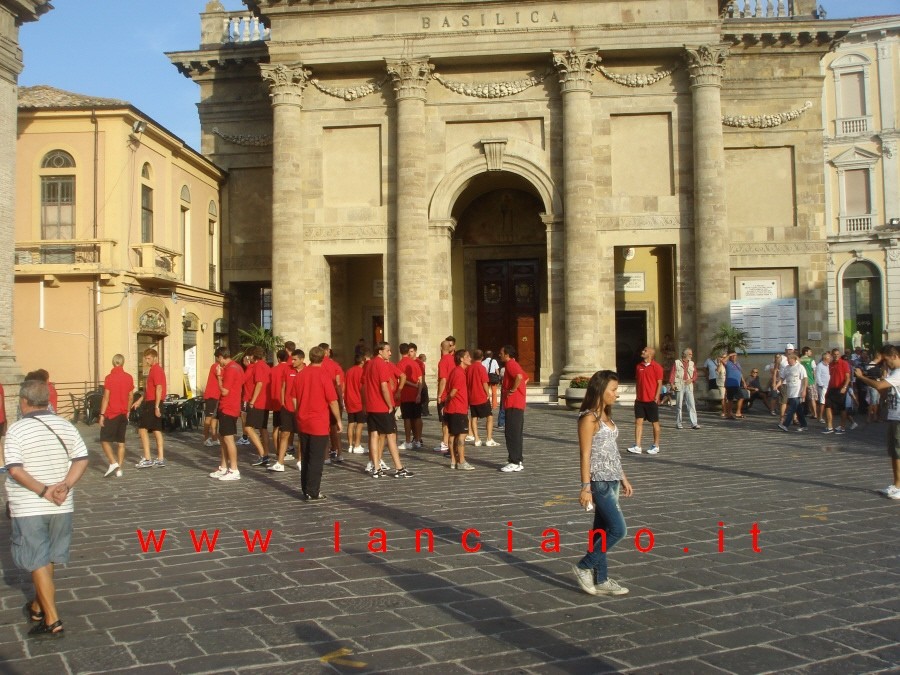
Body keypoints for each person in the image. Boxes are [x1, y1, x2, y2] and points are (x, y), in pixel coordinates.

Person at [5, 379, 89, 637]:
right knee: (48, 556)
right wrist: (65, 485)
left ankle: (52, 619)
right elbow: (82, 459)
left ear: (23, 401)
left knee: (37, 558)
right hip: (61, 504)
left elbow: (15, 470)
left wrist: (43, 490)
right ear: (48, 400)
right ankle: (38, 607)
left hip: (30, 504)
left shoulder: (17, 431)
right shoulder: (65, 425)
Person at [572, 370, 633, 597]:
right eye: (613, 390)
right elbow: (585, 454)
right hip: (599, 482)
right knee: (618, 530)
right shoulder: (589, 418)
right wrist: (585, 487)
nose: (617, 394)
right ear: (600, 390)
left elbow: (611, 451)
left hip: (613, 478)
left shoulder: (606, 416)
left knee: (601, 532)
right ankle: (584, 566)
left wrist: (623, 477)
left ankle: (602, 579)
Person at [292, 345, 342, 500]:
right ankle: (313, 491)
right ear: (323, 358)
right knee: (316, 458)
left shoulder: (300, 374)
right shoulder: (323, 375)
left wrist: (298, 411)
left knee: (306, 456)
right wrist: (339, 420)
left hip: (303, 420)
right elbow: (332, 401)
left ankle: (305, 488)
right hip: (318, 422)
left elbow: (293, 398)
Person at [853, 345, 900, 499]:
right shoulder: (893, 372)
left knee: (898, 452)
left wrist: (862, 377)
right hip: (893, 416)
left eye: (886, 360)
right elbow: (883, 389)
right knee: (894, 452)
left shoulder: (899, 372)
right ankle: (896, 484)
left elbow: (880, 386)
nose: (886, 364)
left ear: (894, 356)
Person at [362, 341, 414, 479]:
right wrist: (389, 404)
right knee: (391, 435)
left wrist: (365, 404)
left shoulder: (369, 364)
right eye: (388, 350)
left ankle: (376, 468)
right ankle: (399, 468)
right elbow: (384, 386)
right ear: (380, 351)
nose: (390, 353)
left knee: (374, 435)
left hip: (371, 406)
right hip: (381, 406)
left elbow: (364, 386)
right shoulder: (381, 364)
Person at [209, 347, 244, 481]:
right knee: (223, 438)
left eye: (218, 359)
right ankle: (223, 467)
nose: (218, 363)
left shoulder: (230, 369)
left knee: (228, 439)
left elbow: (224, 391)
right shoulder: (238, 367)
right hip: (227, 406)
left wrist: (218, 376)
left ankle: (234, 469)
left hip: (229, 407)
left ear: (221, 357)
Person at [98, 354, 135, 478]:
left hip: (112, 412)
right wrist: (128, 409)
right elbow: (131, 396)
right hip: (123, 412)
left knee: (104, 440)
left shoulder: (109, 378)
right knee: (121, 442)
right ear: (123, 363)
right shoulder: (129, 377)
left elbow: (106, 397)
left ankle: (113, 462)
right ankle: (119, 468)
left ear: (113, 363)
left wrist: (102, 414)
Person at [271, 349, 305, 472]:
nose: (293, 361)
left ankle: (300, 461)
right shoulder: (287, 369)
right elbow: (283, 386)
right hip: (287, 407)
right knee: (284, 433)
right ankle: (280, 462)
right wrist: (283, 402)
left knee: (301, 436)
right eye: (292, 359)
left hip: (301, 409)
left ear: (302, 360)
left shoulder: (307, 371)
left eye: (295, 359)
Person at [131, 348, 166, 468]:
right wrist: (140, 401)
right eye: (146, 358)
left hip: (153, 403)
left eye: (149, 358)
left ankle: (147, 458)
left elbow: (159, 388)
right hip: (151, 401)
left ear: (155, 358)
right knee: (156, 430)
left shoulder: (156, 370)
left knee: (142, 429)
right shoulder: (153, 370)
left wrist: (156, 406)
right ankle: (160, 458)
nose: (147, 361)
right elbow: (149, 390)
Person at [627, 346, 663, 455]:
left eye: (645, 351)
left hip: (651, 400)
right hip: (639, 400)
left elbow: (659, 383)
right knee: (638, 422)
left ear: (651, 354)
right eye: (643, 350)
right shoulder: (639, 366)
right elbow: (638, 381)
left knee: (655, 423)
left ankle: (656, 445)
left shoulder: (657, 367)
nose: (643, 351)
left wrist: (657, 396)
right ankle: (637, 445)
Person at [498, 345, 527, 471]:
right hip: (517, 403)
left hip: (514, 404)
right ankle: (517, 459)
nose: (499, 355)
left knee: (511, 434)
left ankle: (514, 461)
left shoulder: (510, 364)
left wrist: (513, 390)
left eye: (501, 353)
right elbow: (526, 378)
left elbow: (520, 378)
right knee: (516, 433)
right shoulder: (514, 364)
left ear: (507, 354)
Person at [445, 349, 474, 470]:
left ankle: (453, 460)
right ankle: (461, 461)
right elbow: (453, 392)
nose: (470, 358)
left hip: (453, 408)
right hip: (458, 408)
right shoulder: (459, 373)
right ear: (461, 359)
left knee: (452, 435)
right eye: (467, 356)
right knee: (461, 435)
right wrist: (447, 400)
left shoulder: (455, 371)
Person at [468, 349, 498, 446]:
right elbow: (484, 382)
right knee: (489, 416)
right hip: (481, 395)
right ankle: (489, 439)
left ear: (473, 357)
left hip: (472, 396)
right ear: (482, 357)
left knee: (474, 417)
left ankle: (476, 439)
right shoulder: (481, 368)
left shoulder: (468, 368)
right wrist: (487, 393)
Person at [398, 343, 424, 450]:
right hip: (415, 394)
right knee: (417, 417)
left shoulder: (400, 364)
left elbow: (401, 380)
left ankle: (408, 440)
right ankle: (417, 440)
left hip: (406, 394)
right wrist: (418, 393)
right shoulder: (415, 364)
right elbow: (420, 380)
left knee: (407, 418)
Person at [343, 350, 367, 456]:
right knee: (360, 424)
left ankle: (350, 445)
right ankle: (357, 445)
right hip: (358, 401)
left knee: (351, 423)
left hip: (349, 400)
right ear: (362, 361)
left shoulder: (348, 371)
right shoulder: (362, 372)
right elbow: (362, 387)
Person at [669, 348, 699, 430]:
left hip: (689, 385)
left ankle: (694, 423)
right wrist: (672, 384)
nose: (691, 356)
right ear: (685, 354)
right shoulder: (677, 362)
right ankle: (679, 423)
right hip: (680, 384)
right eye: (690, 354)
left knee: (691, 404)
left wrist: (692, 379)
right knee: (679, 405)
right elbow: (673, 373)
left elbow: (695, 374)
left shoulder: (692, 363)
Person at [778, 353, 808, 432]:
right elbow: (782, 378)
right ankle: (804, 425)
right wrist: (776, 385)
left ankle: (785, 424)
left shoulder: (800, 367)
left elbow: (805, 379)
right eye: (787, 360)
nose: (788, 361)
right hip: (790, 392)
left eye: (789, 360)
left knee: (791, 409)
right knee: (798, 410)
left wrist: (804, 390)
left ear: (793, 359)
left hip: (797, 392)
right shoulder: (787, 368)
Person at [824, 347, 850, 434]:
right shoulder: (831, 364)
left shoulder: (844, 363)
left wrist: (845, 387)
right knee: (827, 405)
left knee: (842, 408)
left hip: (841, 388)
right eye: (834, 354)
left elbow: (848, 377)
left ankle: (842, 427)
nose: (836, 356)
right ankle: (830, 426)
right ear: (832, 355)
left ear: (839, 355)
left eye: (837, 354)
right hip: (831, 388)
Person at [201, 350, 221, 447]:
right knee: (209, 418)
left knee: (215, 418)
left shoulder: (220, 367)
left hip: (217, 395)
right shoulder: (216, 366)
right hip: (212, 395)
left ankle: (214, 437)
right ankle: (205, 438)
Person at [722, 352, 746, 419]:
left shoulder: (738, 364)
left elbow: (740, 373)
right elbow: (723, 361)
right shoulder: (728, 363)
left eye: (734, 356)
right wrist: (729, 355)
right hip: (730, 383)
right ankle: (730, 414)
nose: (733, 357)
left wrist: (743, 382)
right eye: (732, 356)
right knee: (731, 399)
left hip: (737, 384)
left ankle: (735, 413)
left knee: (739, 398)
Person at [799, 346, 817, 420]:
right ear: (806, 352)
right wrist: (815, 380)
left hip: (802, 381)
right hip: (810, 381)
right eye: (810, 351)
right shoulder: (811, 360)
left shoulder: (799, 360)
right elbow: (814, 371)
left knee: (801, 398)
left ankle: (799, 413)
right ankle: (815, 413)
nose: (811, 353)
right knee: (812, 398)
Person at [815, 351, 831, 422]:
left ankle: (823, 416)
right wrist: (821, 385)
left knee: (825, 401)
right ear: (825, 358)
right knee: (822, 402)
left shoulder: (828, 365)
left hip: (828, 386)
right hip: (822, 386)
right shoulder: (820, 365)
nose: (830, 359)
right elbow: (817, 376)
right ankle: (820, 417)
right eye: (829, 357)